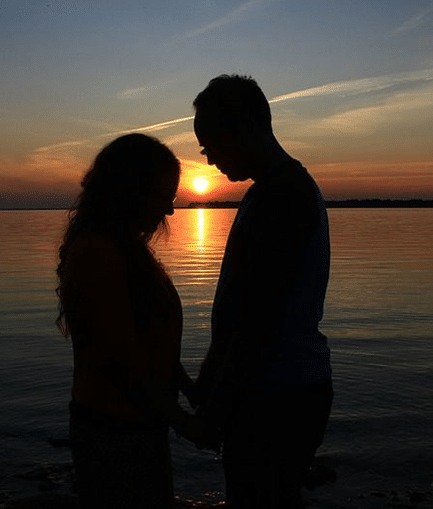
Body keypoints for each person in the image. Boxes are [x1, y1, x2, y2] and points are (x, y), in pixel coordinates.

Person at [191, 74, 334, 508]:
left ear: (248, 127)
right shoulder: (267, 191)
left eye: (211, 142)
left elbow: (258, 319)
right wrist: (208, 380)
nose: (208, 157)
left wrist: (216, 407)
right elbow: (240, 309)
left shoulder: (283, 197)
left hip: (279, 395)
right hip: (275, 388)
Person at [55, 133, 206, 509]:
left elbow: (149, 341)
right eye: (164, 197)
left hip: (140, 420)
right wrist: (184, 423)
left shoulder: (127, 249)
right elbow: (121, 359)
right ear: (131, 190)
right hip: (113, 428)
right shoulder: (97, 254)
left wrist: (188, 389)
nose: (169, 211)